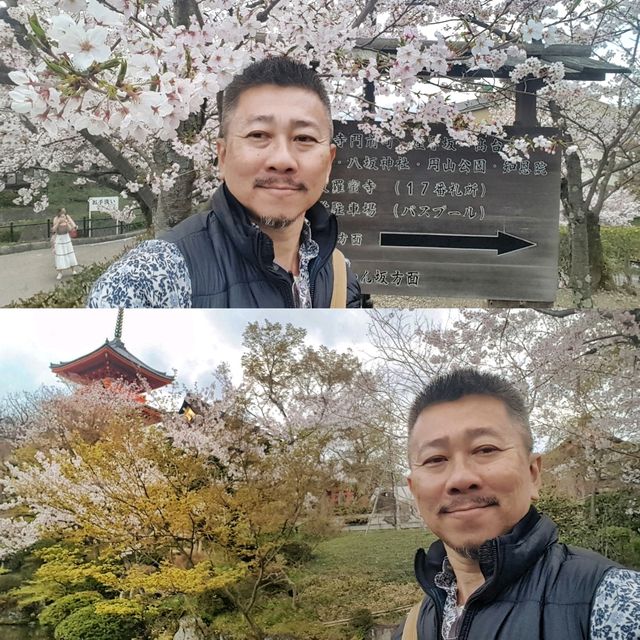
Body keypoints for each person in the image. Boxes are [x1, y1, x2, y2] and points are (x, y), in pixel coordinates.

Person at [87, 56, 361, 308]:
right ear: (223, 156)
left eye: (304, 138)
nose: (282, 159)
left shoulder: (337, 270)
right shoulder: (149, 279)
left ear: (328, 162)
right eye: (258, 135)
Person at [395, 368, 640, 640]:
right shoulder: (417, 624)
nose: (460, 478)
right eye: (435, 459)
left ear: (533, 473)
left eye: (485, 449)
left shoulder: (613, 601)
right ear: (414, 490)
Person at [51, 208, 79, 280]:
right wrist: (58, 222)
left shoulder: (67, 218)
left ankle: (73, 270)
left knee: (70, 253)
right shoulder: (56, 219)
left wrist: (67, 223)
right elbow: (53, 230)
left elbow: (71, 229)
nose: (64, 212)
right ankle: (60, 272)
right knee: (60, 255)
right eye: (62, 211)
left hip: (66, 238)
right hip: (59, 238)